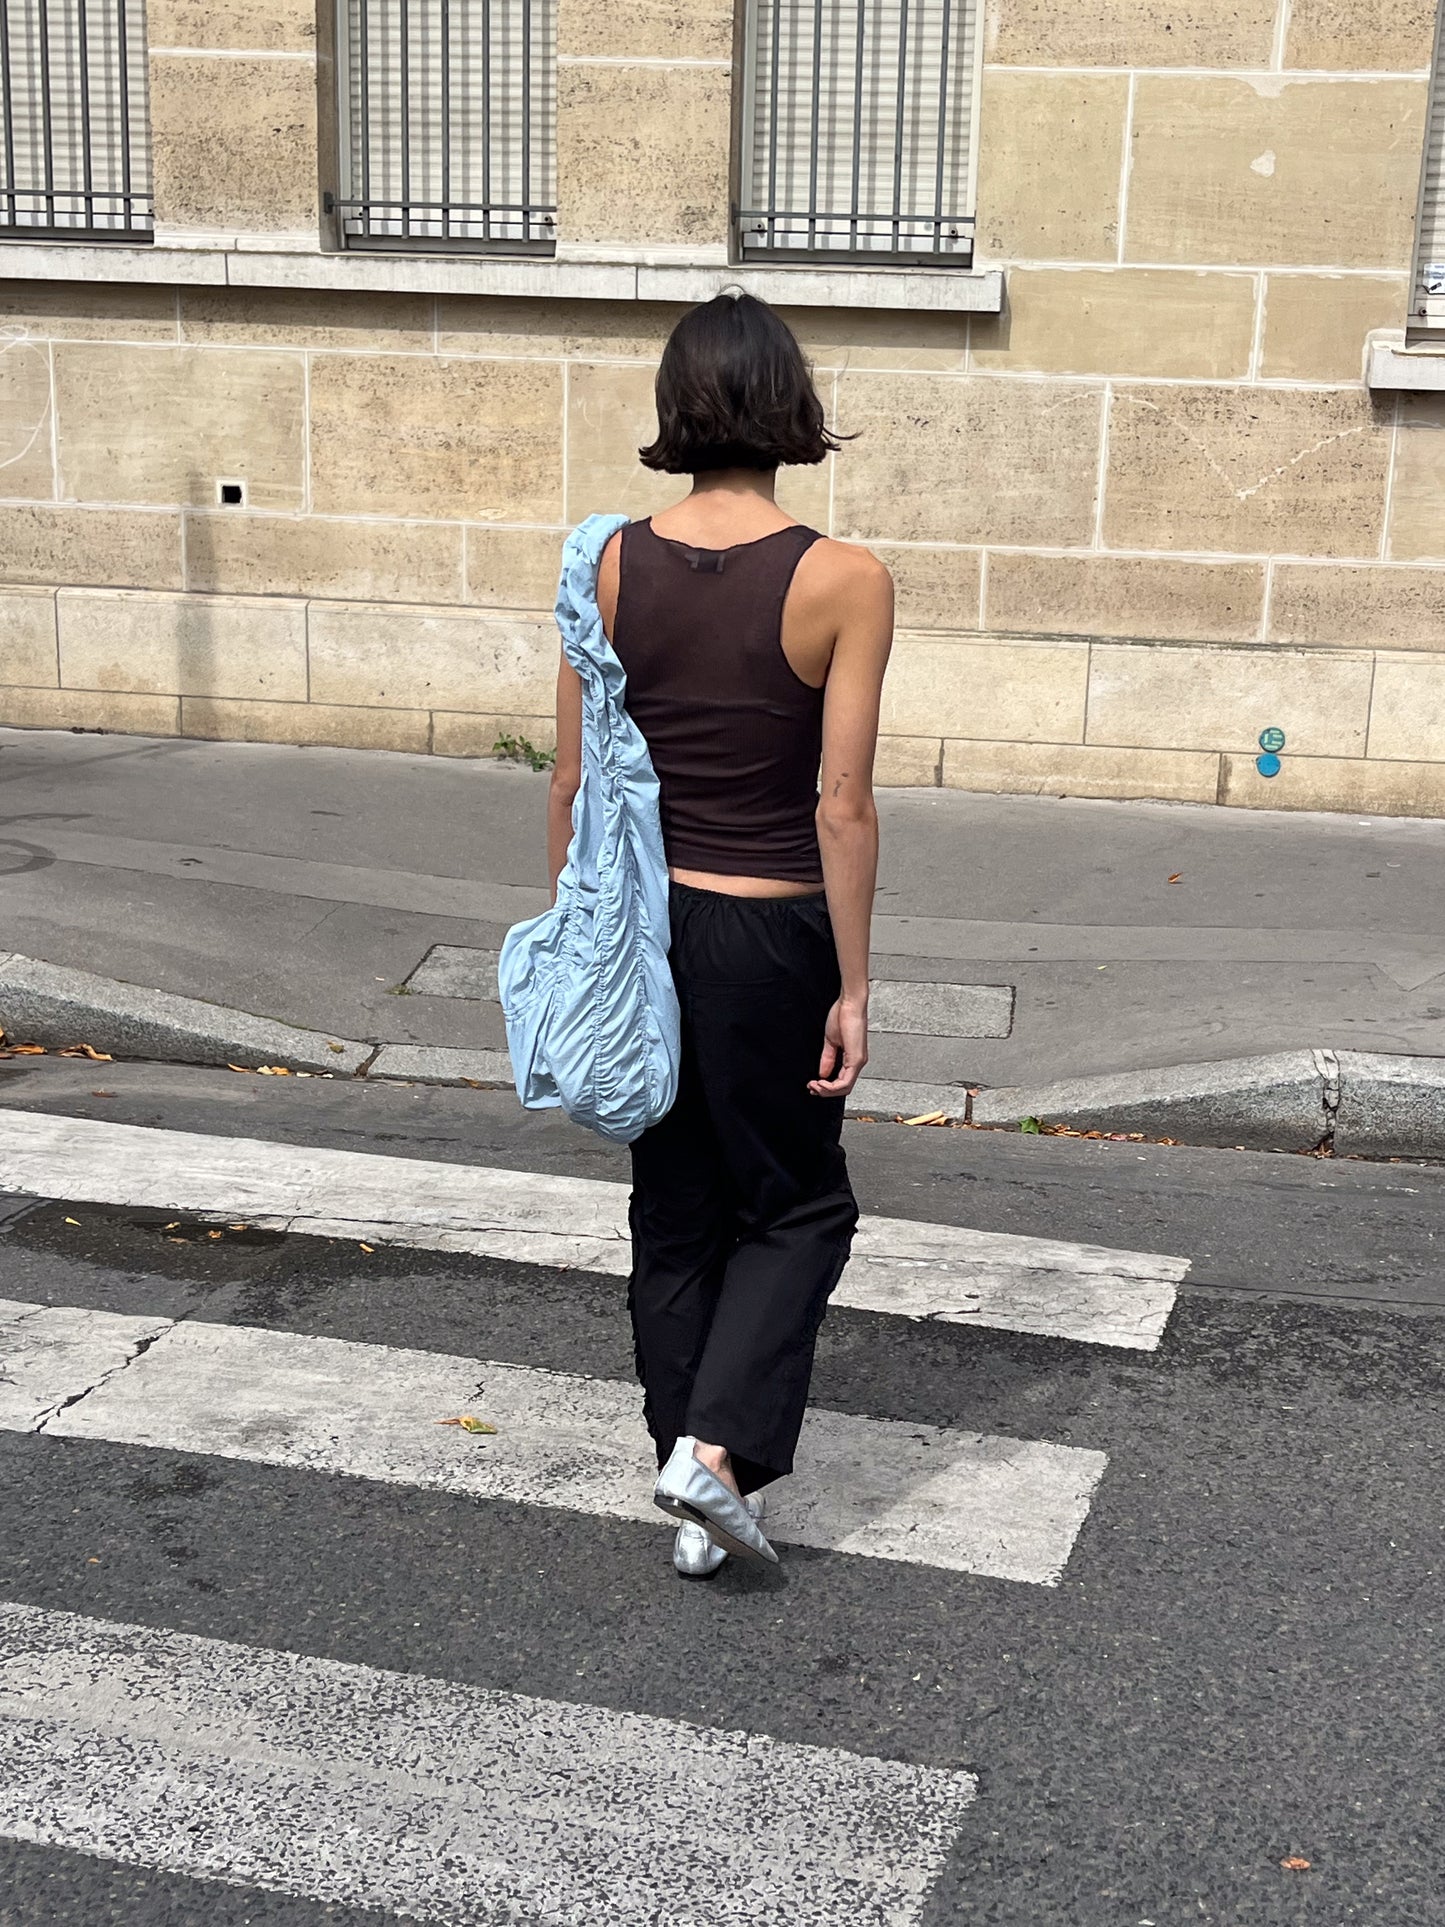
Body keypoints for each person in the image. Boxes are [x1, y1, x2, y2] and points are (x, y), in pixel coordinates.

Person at [547, 291, 893, 1577]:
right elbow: (841, 803)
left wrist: (583, 940)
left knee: (674, 1207)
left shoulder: (600, 562)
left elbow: (575, 783)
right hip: (766, 937)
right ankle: (715, 1452)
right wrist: (852, 984)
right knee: (799, 1205)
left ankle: (690, 1464)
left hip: (640, 928)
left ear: (675, 404)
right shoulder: (841, 577)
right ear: (788, 406)